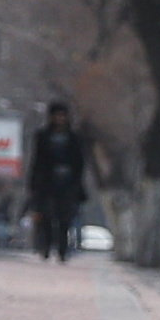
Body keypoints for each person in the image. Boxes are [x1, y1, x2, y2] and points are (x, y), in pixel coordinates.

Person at [29, 98, 93, 262]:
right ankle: (47, 246)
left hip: (68, 184)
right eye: (56, 116)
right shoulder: (43, 136)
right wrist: (34, 183)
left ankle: (63, 250)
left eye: (62, 116)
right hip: (47, 183)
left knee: (65, 218)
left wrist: (77, 183)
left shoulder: (74, 138)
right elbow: (37, 161)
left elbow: (79, 163)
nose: (59, 119)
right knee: (47, 216)